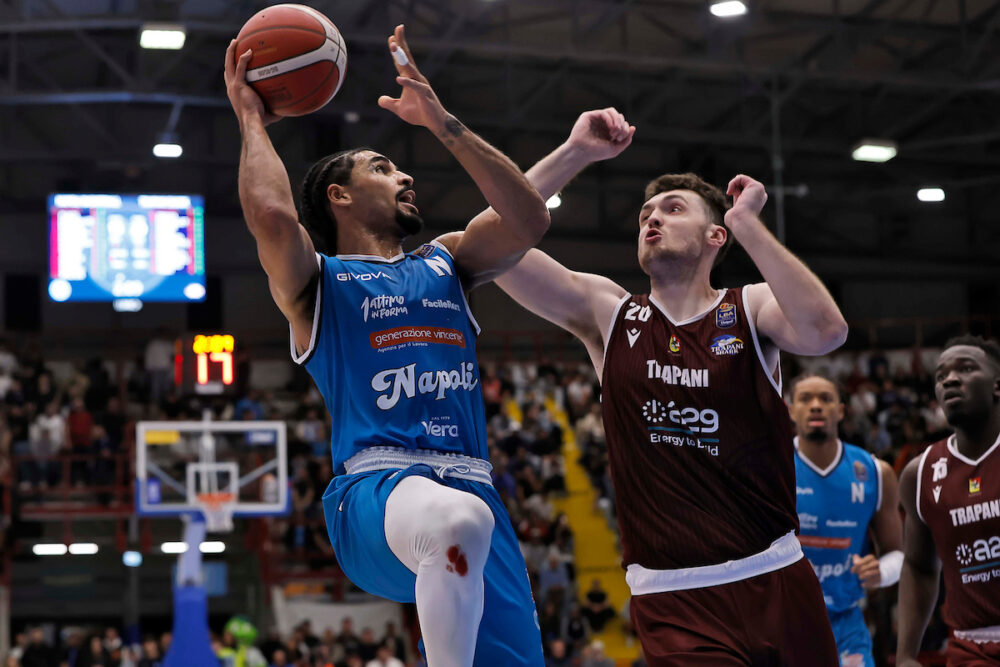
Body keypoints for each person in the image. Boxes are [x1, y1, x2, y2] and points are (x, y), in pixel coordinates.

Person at [224, 23, 550, 667]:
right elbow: (271, 218)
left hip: (474, 490)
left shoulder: (446, 261)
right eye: (383, 168)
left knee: (467, 526)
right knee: (454, 523)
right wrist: (251, 120)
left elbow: (529, 219)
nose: (403, 177)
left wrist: (443, 123)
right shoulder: (319, 282)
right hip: (375, 495)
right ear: (339, 196)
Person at [494, 108, 847, 664]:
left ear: (715, 236)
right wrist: (576, 153)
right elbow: (488, 247)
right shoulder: (608, 313)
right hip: (672, 598)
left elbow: (825, 331)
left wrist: (750, 226)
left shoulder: (749, 307)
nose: (651, 219)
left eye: (672, 208)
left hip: (776, 575)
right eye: (644, 214)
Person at [897, 335, 1000, 666]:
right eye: (941, 376)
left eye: (966, 369)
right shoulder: (921, 472)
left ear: (997, 385)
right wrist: (905, 656)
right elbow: (919, 565)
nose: (950, 379)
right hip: (970, 650)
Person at [789, 374, 903, 667]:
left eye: (825, 399)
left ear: (840, 410)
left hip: (846, 619)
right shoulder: (770, 467)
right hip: (783, 621)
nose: (816, 406)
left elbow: (898, 555)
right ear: (791, 409)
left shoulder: (876, 472)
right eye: (806, 399)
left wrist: (881, 571)